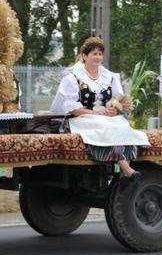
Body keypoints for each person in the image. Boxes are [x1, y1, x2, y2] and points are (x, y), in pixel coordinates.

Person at [50, 36, 149, 181]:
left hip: (104, 118)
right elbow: (71, 108)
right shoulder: (73, 77)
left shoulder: (109, 76)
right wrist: (95, 113)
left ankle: (124, 167)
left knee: (121, 124)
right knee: (103, 126)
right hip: (81, 118)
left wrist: (114, 110)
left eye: (100, 54)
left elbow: (118, 100)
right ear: (84, 56)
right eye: (94, 53)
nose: (98, 57)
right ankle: (126, 168)